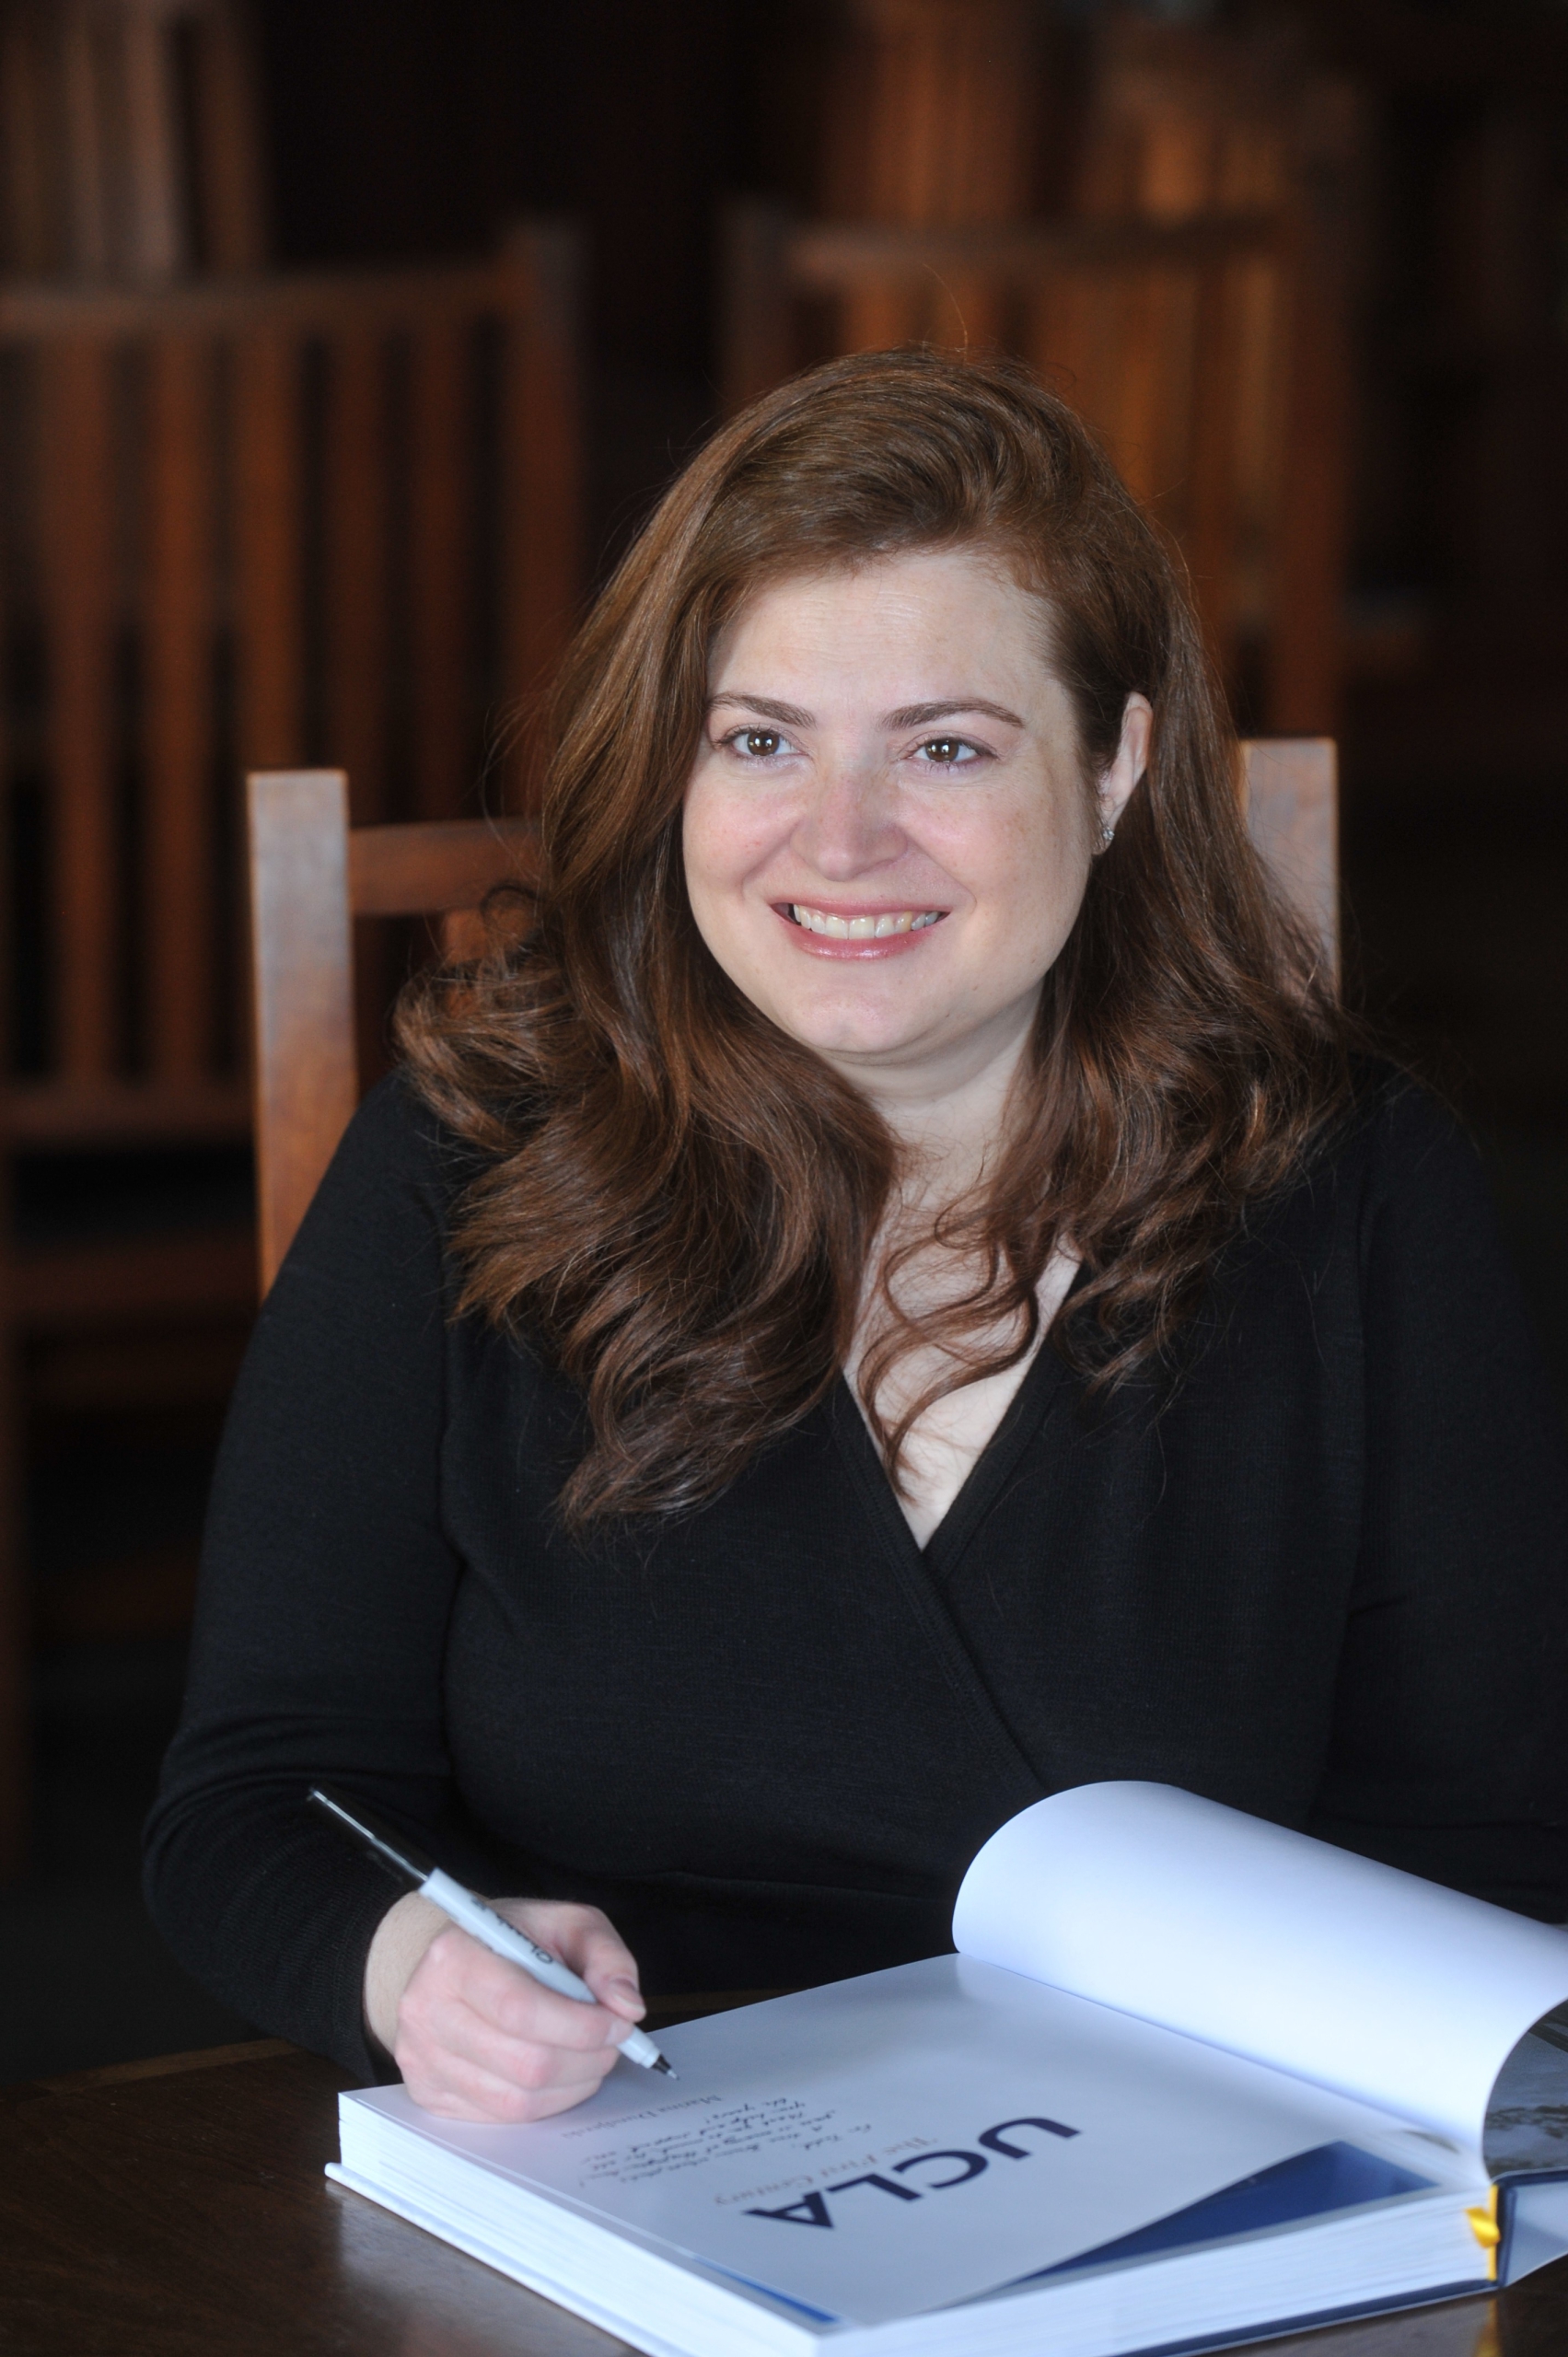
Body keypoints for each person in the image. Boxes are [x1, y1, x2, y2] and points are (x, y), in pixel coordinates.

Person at [145, 348, 1568, 2131]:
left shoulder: (1354, 1193)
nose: (840, 840)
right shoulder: (469, 1160)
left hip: (1189, 2215)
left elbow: (1489, 1848)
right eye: (761, 740)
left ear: (1119, 764)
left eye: (947, 747)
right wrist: (411, 1966)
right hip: (615, 2208)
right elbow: (258, 1796)